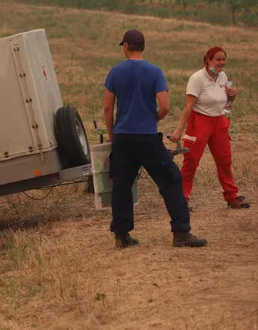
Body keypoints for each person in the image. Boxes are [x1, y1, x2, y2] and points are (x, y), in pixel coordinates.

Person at [103, 30, 207, 248]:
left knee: (122, 185)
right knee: (170, 179)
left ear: (126, 47)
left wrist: (113, 133)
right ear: (143, 47)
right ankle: (180, 232)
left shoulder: (115, 72)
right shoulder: (154, 71)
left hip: (123, 137)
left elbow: (108, 107)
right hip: (147, 137)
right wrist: (153, 119)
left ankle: (122, 235)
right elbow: (166, 105)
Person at [169, 46, 250, 209]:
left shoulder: (223, 76)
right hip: (199, 122)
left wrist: (232, 98)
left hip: (219, 122)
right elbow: (188, 106)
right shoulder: (197, 78)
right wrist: (178, 130)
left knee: (224, 160)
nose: (221, 63)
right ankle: (182, 200)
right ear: (208, 61)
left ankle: (232, 197)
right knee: (191, 162)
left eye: (223, 59)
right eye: (218, 59)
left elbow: (227, 107)